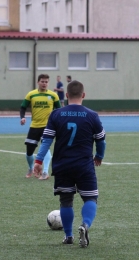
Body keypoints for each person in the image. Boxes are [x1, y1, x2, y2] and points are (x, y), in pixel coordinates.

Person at [34, 80, 106, 247]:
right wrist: (99, 155)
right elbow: (101, 140)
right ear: (83, 95)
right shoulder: (92, 115)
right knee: (91, 198)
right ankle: (85, 224)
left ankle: (68, 236)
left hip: (62, 165)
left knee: (66, 201)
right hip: (84, 164)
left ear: (66, 95)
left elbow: (46, 141)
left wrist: (38, 161)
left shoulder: (56, 114)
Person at [20, 74, 61, 180]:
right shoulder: (31, 94)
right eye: (42, 81)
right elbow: (23, 107)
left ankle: (45, 172)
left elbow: (59, 110)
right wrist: (22, 117)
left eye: (46, 82)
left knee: (46, 148)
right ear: (38, 82)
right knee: (29, 151)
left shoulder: (53, 95)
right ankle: (31, 168)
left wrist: (57, 121)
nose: (44, 83)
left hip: (48, 127)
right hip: (34, 126)